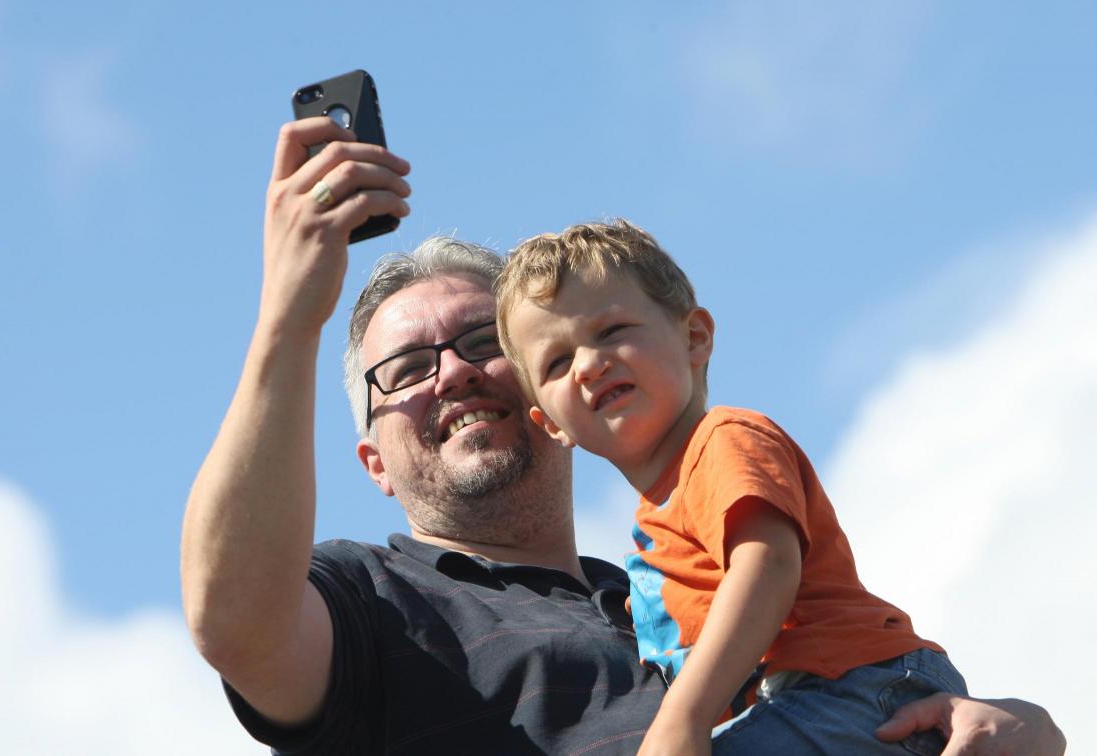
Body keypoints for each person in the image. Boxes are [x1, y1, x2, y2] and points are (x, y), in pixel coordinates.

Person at [179, 117, 1067, 755]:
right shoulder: (372, 601)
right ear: (373, 462)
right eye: (405, 371)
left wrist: (1019, 725)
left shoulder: (666, 583)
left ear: (545, 407)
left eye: (485, 344)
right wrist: (289, 322)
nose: (451, 373)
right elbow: (233, 620)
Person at [496, 220, 976, 754]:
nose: (589, 364)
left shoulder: (723, 440)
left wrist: (685, 718)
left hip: (851, 690)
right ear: (551, 425)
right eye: (558, 362)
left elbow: (766, 566)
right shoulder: (653, 527)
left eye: (611, 331)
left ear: (694, 336)